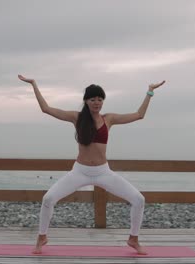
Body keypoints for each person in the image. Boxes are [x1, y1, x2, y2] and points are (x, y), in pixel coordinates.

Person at [18, 74, 166, 254]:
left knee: (138, 199)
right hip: (79, 172)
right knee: (48, 199)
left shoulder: (108, 119)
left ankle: (133, 239)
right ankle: (42, 237)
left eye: (100, 99)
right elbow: (46, 109)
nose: (97, 103)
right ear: (86, 101)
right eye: (93, 99)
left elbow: (139, 115)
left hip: (104, 172)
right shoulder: (77, 118)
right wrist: (34, 84)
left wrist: (150, 91)